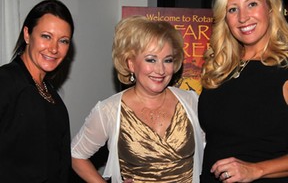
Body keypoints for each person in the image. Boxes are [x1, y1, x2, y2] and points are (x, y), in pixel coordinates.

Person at [71, 15, 204, 183]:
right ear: (131, 64)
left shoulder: (191, 102)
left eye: (167, 60)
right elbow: (76, 155)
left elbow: (214, 147)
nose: (160, 69)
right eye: (151, 59)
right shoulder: (109, 110)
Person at [198, 0, 288, 183]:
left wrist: (257, 170)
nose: (242, 17)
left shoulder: (284, 70)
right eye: (232, 9)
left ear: (271, 7)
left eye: (252, 4)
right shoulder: (219, 69)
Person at [0, 0, 74, 182]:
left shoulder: (53, 97)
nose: (54, 48)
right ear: (27, 34)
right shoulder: (6, 82)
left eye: (63, 41)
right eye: (46, 36)